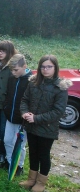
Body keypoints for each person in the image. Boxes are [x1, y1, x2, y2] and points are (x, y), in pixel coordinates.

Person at [19, 55, 71, 192]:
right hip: (31, 126)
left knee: (43, 154)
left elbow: (58, 111)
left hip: (47, 128)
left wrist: (36, 118)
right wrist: (25, 113)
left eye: (49, 66)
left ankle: (41, 183)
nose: (45, 69)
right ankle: (31, 179)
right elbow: (25, 100)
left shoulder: (60, 87)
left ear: (55, 68)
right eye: (43, 66)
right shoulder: (33, 82)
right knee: (33, 152)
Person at [0, 54, 32, 176]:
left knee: (19, 144)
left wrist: (26, 116)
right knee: (7, 140)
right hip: (9, 117)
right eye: (11, 70)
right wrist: (6, 108)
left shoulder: (31, 81)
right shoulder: (12, 78)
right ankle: (9, 161)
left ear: (24, 66)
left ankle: (19, 166)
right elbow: (8, 95)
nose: (13, 72)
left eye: (16, 70)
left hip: (22, 120)